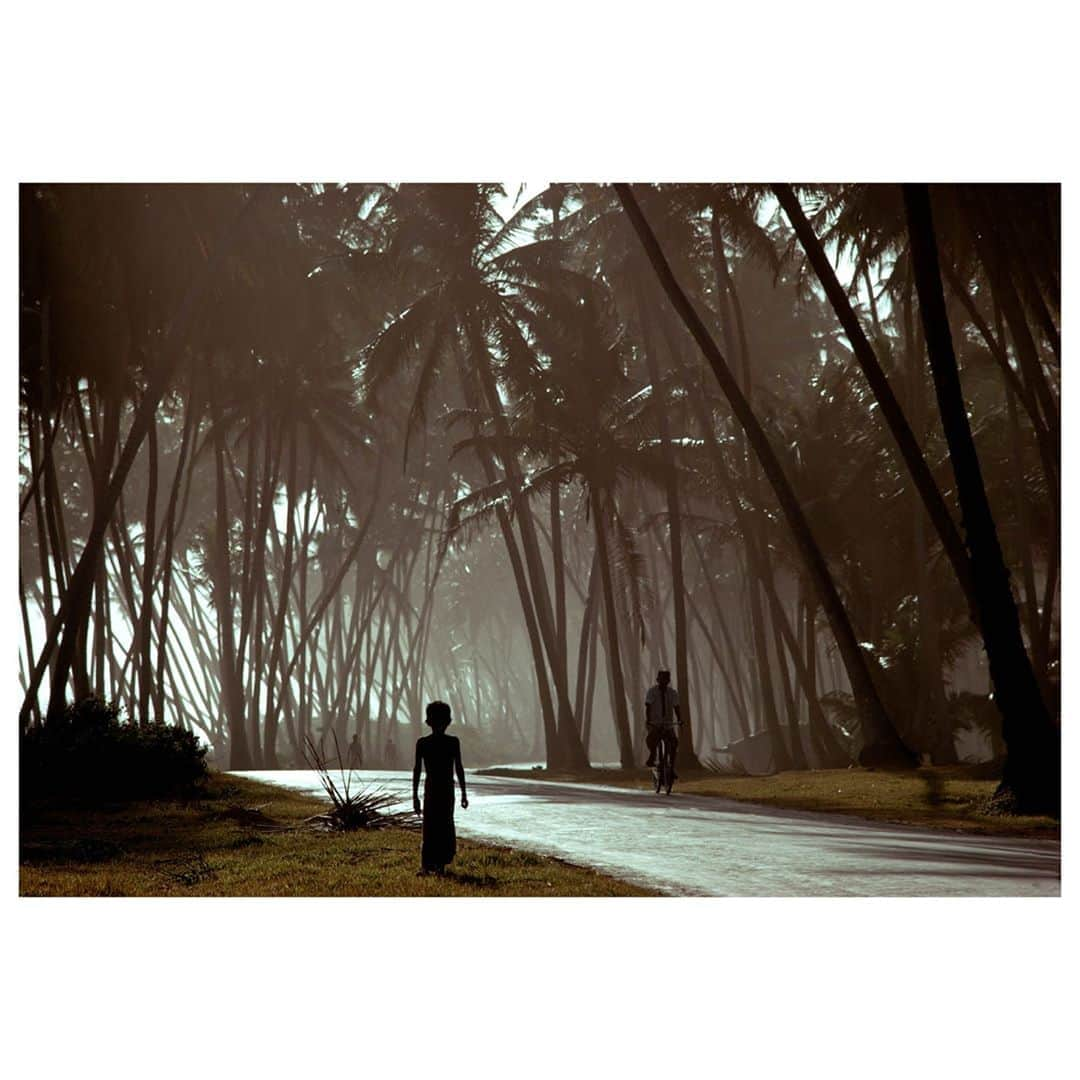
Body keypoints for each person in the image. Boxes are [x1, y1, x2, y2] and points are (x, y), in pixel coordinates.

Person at [412, 701, 468, 874]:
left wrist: (415, 795)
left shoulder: (423, 743)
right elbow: (458, 768)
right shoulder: (452, 742)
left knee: (431, 825)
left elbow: (417, 771)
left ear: (428, 721)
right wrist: (464, 793)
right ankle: (439, 864)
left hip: (433, 789)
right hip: (445, 790)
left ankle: (429, 864)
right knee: (444, 824)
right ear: (448, 721)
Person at [644, 668, 681, 771]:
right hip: (655, 723)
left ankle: (671, 768)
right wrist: (648, 720)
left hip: (668, 724)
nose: (663, 682)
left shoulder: (672, 693)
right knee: (651, 740)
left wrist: (679, 719)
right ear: (657, 680)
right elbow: (648, 706)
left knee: (674, 744)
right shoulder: (652, 692)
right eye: (661, 679)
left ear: (668, 681)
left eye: (666, 679)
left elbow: (676, 707)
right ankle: (653, 754)